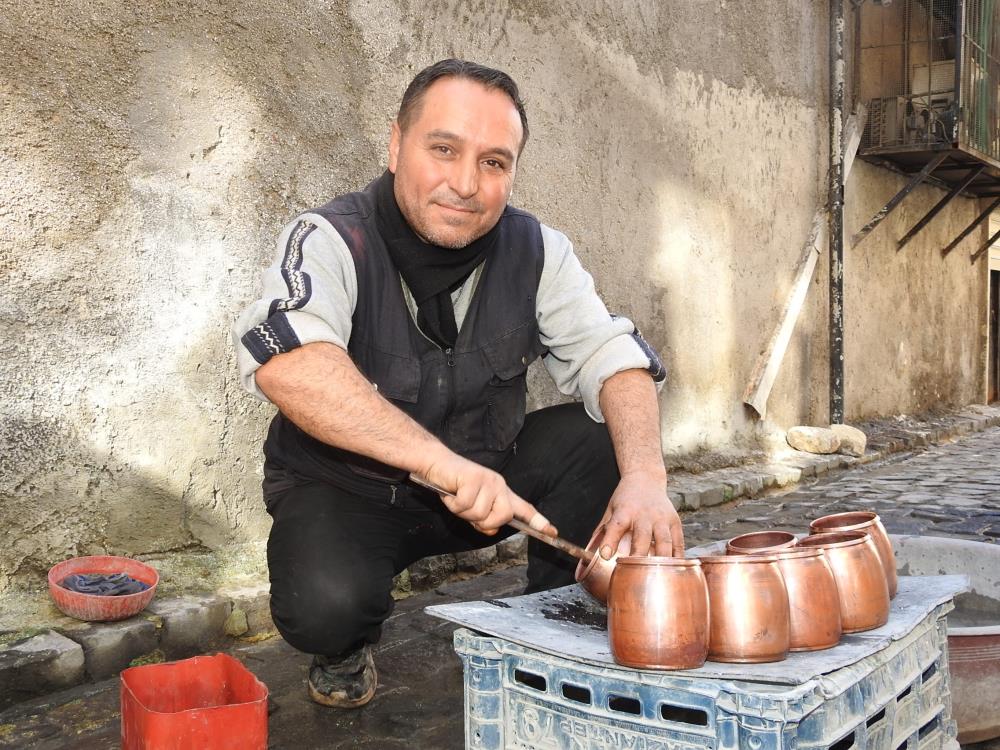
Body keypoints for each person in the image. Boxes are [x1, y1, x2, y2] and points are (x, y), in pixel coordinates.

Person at [232, 59, 684, 709]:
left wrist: (647, 476)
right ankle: (343, 647)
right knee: (324, 607)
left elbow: (613, 354)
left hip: (487, 487)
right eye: (443, 150)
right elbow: (290, 363)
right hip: (351, 496)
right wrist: (439, 465)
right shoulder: (331, 238)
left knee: (602, 437)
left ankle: (553, 620)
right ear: (395, 145)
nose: (465, 184)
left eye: (494, 163)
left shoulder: (538, 251)